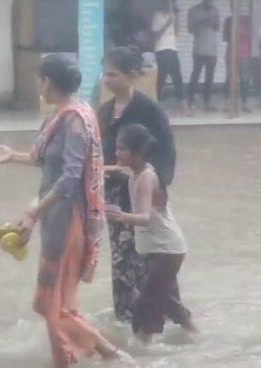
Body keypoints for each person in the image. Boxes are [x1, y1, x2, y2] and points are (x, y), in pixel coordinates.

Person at [0, 55, 132, 368]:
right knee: (49, 302)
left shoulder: (74, 120)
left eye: (39, 79)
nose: (38, 85)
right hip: (56, 220)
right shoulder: (63, 116)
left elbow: (68, 178)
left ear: (47, 82)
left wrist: (33, 213)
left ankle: (110, 356)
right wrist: (14, 157)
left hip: (68, 222)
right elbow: (48, 162)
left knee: (54, 305)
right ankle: (70, 364)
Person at [98, 46, 177, 322]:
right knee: (121, 260)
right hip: (115, 197)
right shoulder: (104, 112)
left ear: (132, 75)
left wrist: (159, 186)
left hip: (144, 195)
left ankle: (170, 316)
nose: (107, 80)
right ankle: (125, 318)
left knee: (153, 259)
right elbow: (98, 153)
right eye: (104, 75)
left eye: (113, 74)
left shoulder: (149, 110)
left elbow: (167, 151)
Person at [105, 124, 195, 343]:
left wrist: (120, 216)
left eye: (121, 149)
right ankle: (194, 334)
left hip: (167, 249)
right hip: (156, 248)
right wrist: (101, 169)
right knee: (166, 299)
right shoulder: (135, 170)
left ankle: (143, 348)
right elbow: (118, 169)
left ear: (136, 153)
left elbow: (144, 217)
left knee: (147, 301)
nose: (116, 153)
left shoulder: (146, 177)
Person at [152, 0, 188, 112]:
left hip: (172, 48)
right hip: (161, 49)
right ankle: (156, 102)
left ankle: (183, 104)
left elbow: (176, 33)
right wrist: (166, 24)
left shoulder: (173, 15)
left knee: (177, 77)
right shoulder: (157, 15)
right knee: (161, 78)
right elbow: (155, 35)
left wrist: (177, 19)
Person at [187, 0, 221, 112]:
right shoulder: (193, 10)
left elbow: (217, 28)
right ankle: (190, 100)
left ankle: (207, 102)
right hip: (199, 49)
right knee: (196, 74)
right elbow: (190, 29)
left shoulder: (215, 10)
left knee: (209, 77)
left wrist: (215, 21)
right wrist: (202, 21)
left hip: (212, 49)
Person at [223, 14, 252, 113]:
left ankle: (245, 103)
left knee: (244, 79)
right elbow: (225, 37)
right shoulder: (228, 20)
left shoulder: (246, 19)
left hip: (243, 53)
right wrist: (234, 32)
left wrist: (241, 32)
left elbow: (250, 35)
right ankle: (227, 103)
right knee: (229, 78)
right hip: (230, 53)